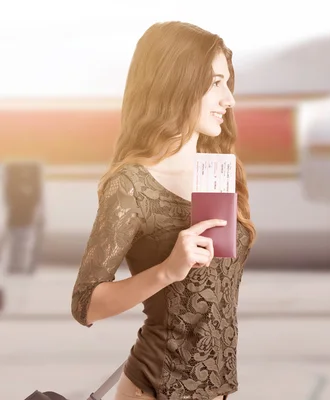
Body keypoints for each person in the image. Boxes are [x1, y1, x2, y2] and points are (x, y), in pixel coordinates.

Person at [70, 21, 256, 400]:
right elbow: (84, 305)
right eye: (215, 83)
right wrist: (167, 270)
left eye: (227, 83)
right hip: (156, 388)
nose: (229, 99)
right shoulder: (132, 186)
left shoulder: (220, 170)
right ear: (178, 84)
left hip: (216, 390)